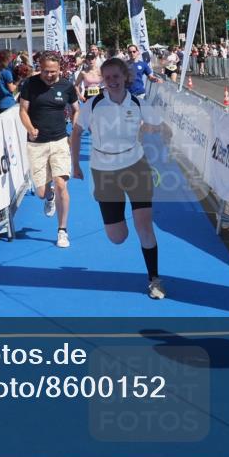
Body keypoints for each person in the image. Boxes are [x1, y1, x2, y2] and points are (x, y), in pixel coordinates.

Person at [71, 57, 169, 299]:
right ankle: (118, 223)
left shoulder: (138, 103)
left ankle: (154, 279)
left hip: (136, 166)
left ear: (126, 77)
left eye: (117, 76)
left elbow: (162, 127)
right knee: (118, 237)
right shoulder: (92, 105)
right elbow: (76, 132)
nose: (112, 81)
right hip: (104, 172)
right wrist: (74, 164)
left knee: (144, 225)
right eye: (108, 77)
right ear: (103, 80)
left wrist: (153, 131)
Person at [19, 53, 80, 247]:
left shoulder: (67, 86)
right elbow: (23, 110)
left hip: (60, 140)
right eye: (46, 71)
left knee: (62, 183)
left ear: (59, 69)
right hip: (37, 144)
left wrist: (74, 131)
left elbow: (76, 109)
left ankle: (62, 231)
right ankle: (49, 195)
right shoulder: (30, 84)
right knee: (41, 192)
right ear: (40, 67)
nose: (49, 75)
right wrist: (30, 128)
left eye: (53, 72)